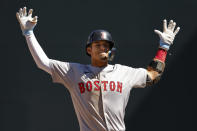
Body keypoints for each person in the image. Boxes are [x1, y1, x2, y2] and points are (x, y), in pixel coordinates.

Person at [16, 7, 180, 131]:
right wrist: (29, 34)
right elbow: (43, 62)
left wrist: (163, 47)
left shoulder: (124, 72)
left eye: (106, 45)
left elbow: (153, 74)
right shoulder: (74, 72)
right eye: (98, 45)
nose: (103, 48)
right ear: (89, 50)